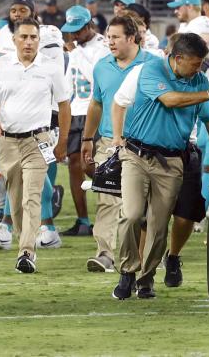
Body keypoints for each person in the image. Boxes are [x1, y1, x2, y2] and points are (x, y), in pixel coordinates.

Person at [109, 33, 209, 299]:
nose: (199, 69)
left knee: (159, 226)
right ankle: (127, 271)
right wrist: (208, 93)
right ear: (178, 58)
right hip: (137, 155)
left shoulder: (198, 80)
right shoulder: (151, 70)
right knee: (132, 214)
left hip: (172, 161)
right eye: (195, 63)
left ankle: (146, 279)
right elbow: (169, 99)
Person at [0, 18, 71, 274]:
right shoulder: (0, 65)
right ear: (14, 40)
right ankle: (25, 240)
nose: (29, 42)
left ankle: (26, 252)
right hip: (7, 141)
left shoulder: (51, 68)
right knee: (16, 198)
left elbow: (64, 105)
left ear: (39, 41)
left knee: (32, 196)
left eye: (33, 37)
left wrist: (62, 140)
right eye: (24, 37)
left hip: (38, 141)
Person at [80, 15, 157, 272]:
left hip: (146, 145)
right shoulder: (102, 66)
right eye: (108, 37)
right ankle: (104, 253)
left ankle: (142, 257)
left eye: (115, 37)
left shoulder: (154, 64)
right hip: (109, 144)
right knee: (107, 199)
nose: (109, 42)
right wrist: (88, 138)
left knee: (141, 208)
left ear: (132, 38)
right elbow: (96, 103)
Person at [60, 6, 109, 237]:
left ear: (89, 26)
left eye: (77, 31)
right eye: (71, 31)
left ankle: (113, 198)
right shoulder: (76, 50)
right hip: (76, 109)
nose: (74, 36)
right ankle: (82, 221)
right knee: (74, 165)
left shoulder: (102, 46)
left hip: (95, 109)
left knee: (90, 164)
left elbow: (95, 77)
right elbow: (69, 82)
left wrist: (74, 53)